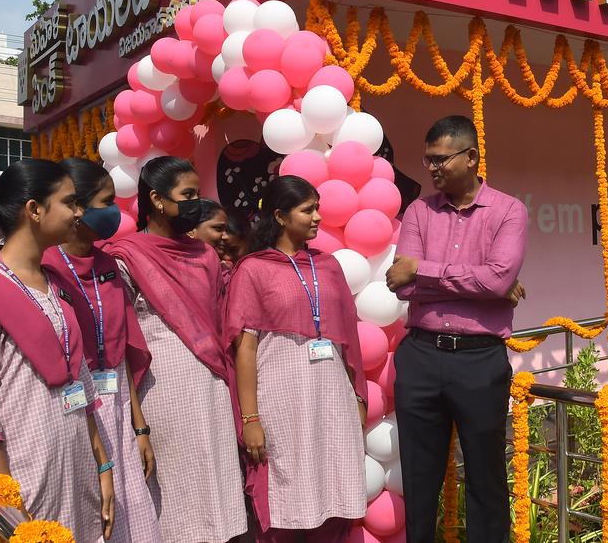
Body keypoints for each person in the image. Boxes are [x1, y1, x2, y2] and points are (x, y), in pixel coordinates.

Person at [0, 158, 114, 541]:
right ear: (34, 210)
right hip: (24, 485)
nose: (79, 212)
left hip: (75, 473)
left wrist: (103, 468)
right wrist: (10, 515)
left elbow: (82, 391)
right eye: (70, 202)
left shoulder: (54, 285)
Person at [385, 116, 528, 543]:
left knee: (486, 474)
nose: (431, 169)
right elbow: (401, 283)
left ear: (471, 157)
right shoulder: (418, 211)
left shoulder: (508, 210)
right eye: (427, 160)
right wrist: (479, 284)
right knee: (419, 473)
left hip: (479, 360)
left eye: (440, 159)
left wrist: (426, 272)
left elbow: (498, 280)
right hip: (421, 355)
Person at [105, 156, 248, 543]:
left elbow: (221, 316)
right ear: (157, 199)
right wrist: (136, 422)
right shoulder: (125, 257)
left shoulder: (203, 255)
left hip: (213, 384)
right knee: (176, 493)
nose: (195, 203)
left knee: (218, 487)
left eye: (197, 194)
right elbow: (121, 344)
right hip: (162, 390)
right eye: (187, 195)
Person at [226, 176, 368, 542]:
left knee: (334, 488)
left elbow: (348, 338)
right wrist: (250, 418)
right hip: (281, 398)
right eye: (308, 210)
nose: (318, 217)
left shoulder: (328, 266)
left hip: (331, 395)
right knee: (285, 495)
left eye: (317, 207)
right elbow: (245, 348)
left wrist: (357, 395)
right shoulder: (253, 269)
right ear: (280, 216)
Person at [42, 158, 162, 543]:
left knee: (130, 510)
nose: (114, 211)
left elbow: (125, 350)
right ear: (76, 208)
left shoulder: (109, 263)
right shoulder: (45, 267)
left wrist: (139, 427)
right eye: (106, 201)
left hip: (117, 405)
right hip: (73, 408)